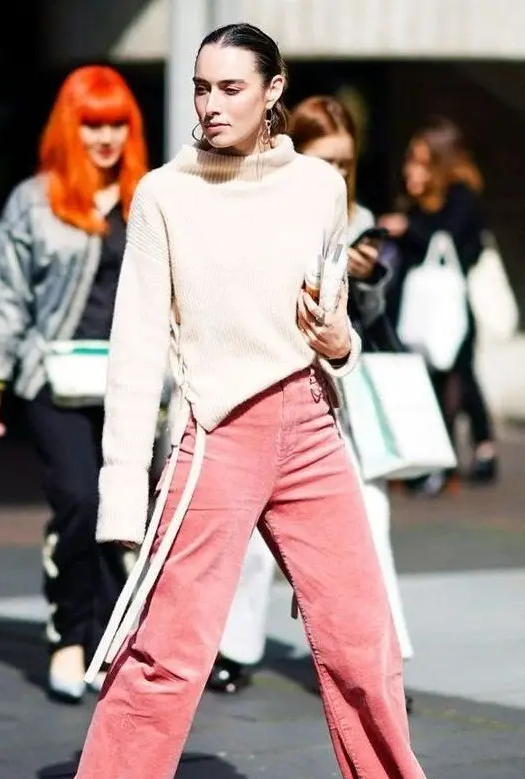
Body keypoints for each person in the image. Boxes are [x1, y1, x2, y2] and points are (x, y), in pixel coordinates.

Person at [38, 25, 490, 779]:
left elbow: (332, 318)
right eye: (201, 88)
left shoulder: (318, 186)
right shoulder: (164, 196)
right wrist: (123, 492)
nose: (211, 105)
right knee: (170, 652)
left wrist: (341, 341)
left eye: (231, 88)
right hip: (219, 431)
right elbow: (136, 349)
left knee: (364, 642)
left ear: (273, 90)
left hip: (313, 429)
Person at [209, 95, 414, 711]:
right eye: (327, 160)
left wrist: (368, 279)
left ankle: (382, 661)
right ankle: (235, 648)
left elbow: (368, 322)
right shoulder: (265, 208)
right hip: (267, 391)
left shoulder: (360, 216)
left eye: (347, 162)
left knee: (371, 518)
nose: (338, 174)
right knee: (253, 535)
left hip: (338, 401)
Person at [0, 66, 148, 702]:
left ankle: (109, 636)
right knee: (78, 497)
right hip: (53, 379)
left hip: (132, 381)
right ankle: (70, 633)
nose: (105, 137)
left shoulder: (149, 196)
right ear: (68, 128)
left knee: (123, 511)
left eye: (116, 124)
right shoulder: (35, 200)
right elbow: (3, 293)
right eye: (91, 124)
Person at [379, 116, 497, 493]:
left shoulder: (461, 197)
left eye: (422, 161)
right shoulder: (417, 200)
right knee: (434, 381)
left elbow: (456, 244)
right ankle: (439, 460)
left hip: (448, 309)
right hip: (418, 311)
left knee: (459, 376)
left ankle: (476, 450)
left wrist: (408, 230)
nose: (411, 169)